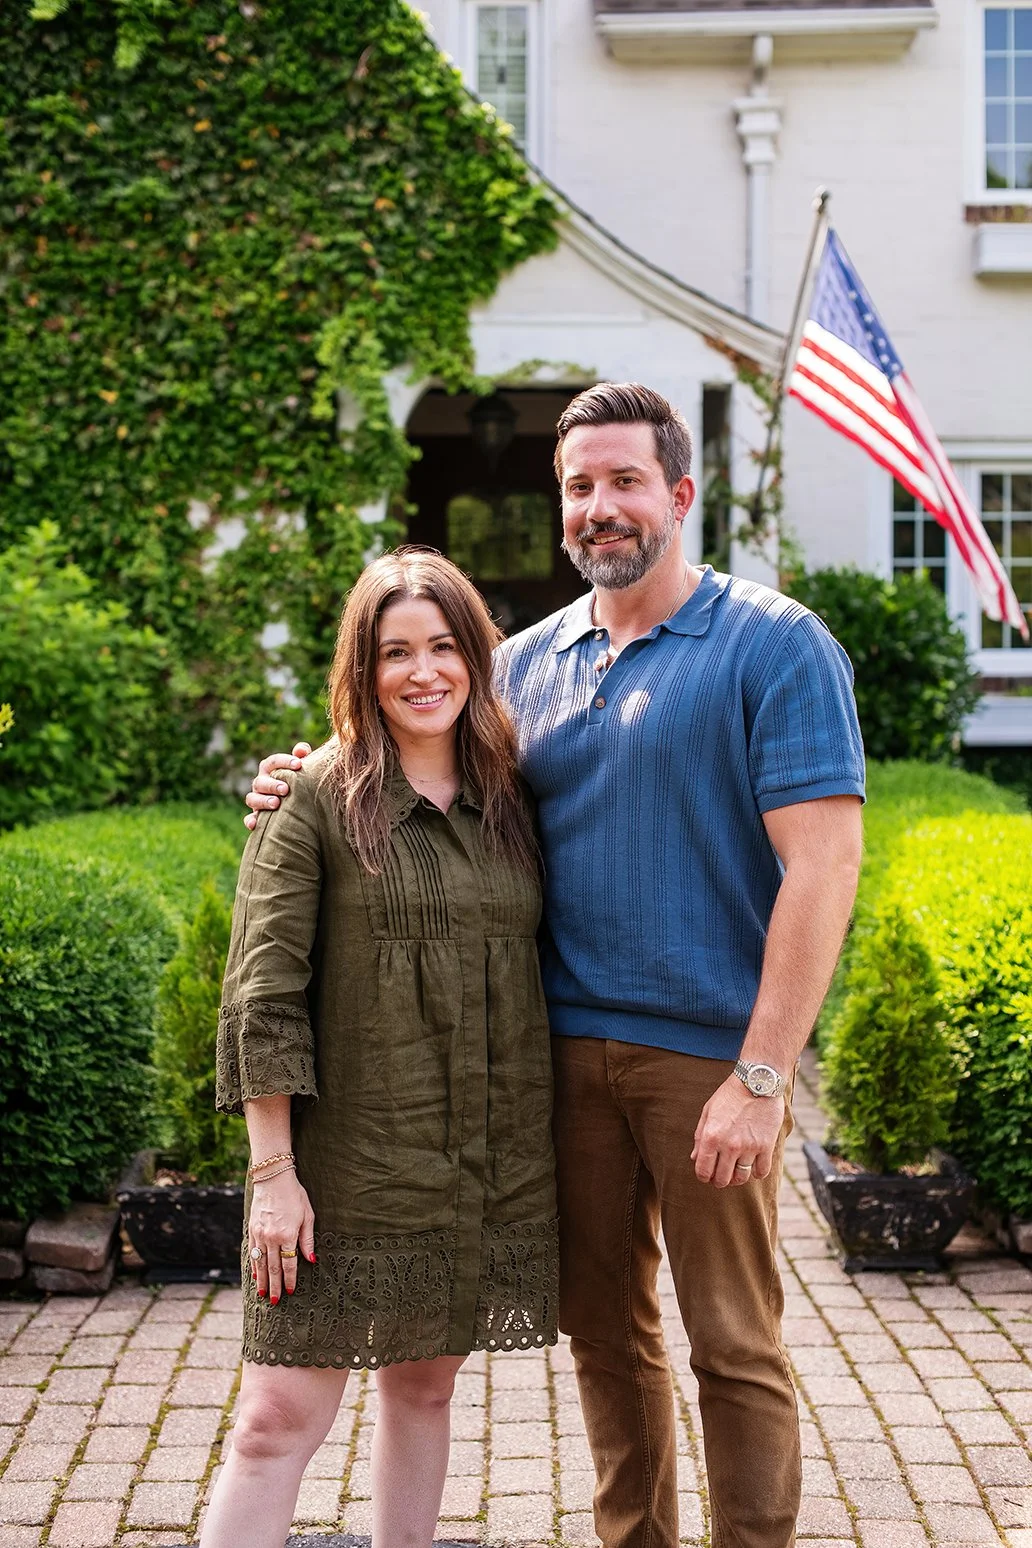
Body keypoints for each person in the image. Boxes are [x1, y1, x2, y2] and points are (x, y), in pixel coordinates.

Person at [244, 383, 865, 1548]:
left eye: (625, 481)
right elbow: (410, 720)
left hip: (708, 1062)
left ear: (681, 494)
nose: (599, 507)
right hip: (558, 1056)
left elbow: (823, 870)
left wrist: (765, 1074)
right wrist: (300, 776)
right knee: (606, 1335)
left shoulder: (775, 648)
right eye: (579, 486)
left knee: (731, 1339)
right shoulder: (526, 665)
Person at [204, 550, 558, 1548]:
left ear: (477, 659)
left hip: (476, 1162)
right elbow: (262, 995)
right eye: (394, 651)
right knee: (276, 1420)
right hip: (343, 1167)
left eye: (444, 646)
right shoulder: (310, 799)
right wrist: (272, 1173)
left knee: (426, 1389)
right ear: (361, 670)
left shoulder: (511, 802)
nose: (422, 671)